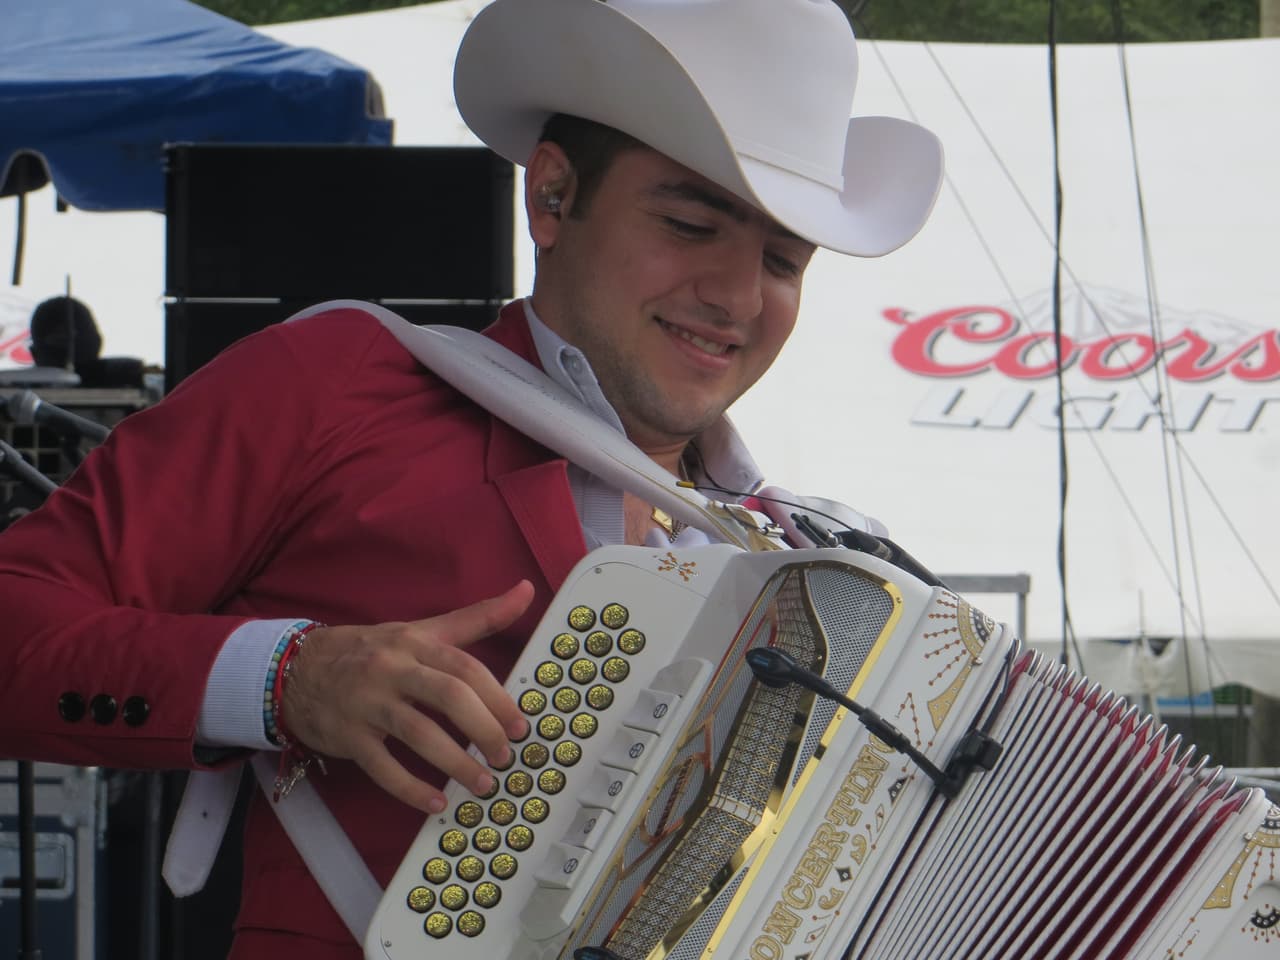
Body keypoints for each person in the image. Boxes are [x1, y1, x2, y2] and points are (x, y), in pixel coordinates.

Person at [0, 0, 942, 956]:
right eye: (691, 224)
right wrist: (285, 679)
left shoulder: (798, 549)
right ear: (551, 197)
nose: (738, 296)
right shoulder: (336, 383)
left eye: (783, 261)